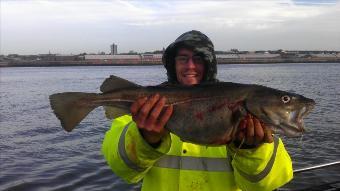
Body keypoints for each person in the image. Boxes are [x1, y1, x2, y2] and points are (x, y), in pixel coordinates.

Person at [102, 30, 293, 191]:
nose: (190, 66)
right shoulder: (147, 105)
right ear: (173, 64)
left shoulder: (250, 112)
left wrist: (251, 149)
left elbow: (267, 183)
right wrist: (145, 138)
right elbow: (122, 169)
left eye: (198, 59)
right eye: (183, 59)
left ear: (209, 64)